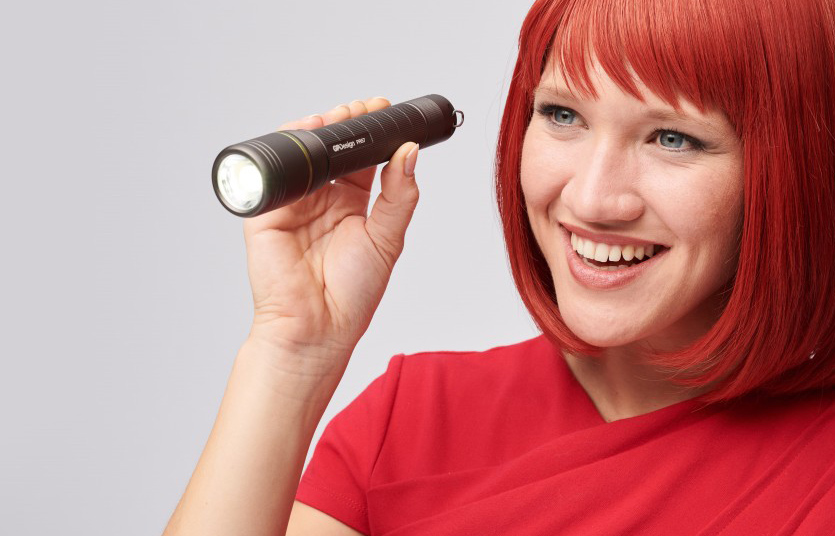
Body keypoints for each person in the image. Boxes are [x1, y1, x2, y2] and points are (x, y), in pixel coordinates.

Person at [163, 0, 835, 534]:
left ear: (795, 168)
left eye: (673, 138)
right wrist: (291, 351)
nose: (591, 198)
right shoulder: (412, 419)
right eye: (563, 114)